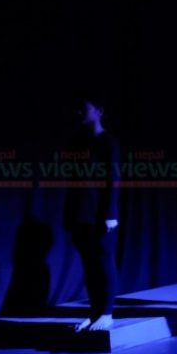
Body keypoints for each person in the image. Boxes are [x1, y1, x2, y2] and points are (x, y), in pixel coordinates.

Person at [63, 94, 121, 333]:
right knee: (89, 265)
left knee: (103, 261)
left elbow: (112, 179)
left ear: (99, 111)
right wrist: (70, 214)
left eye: (84, 108)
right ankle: (95, 312)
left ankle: (107, 313)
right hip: (81, 213)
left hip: (100, 214)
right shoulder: (78, 143)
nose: (79, 113)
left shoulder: (108, 142)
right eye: (78, 109)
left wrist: (110, 213)